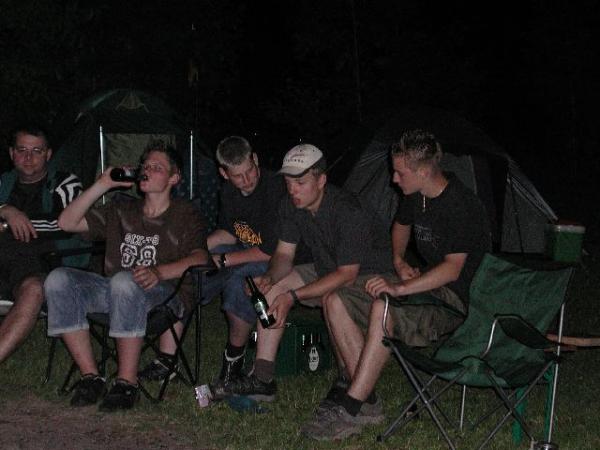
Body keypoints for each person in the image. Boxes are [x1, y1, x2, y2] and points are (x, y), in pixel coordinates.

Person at [301, 129, 492, 441]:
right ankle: (368, 400)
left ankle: (350, 407)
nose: (393, 179)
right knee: (334, 298)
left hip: (454, 300)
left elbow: (452, 270)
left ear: (423, 171)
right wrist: (399, 261)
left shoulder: (461, 205)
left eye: (400, 172)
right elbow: (400, 226)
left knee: (383, 305)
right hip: (426, 284)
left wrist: (400, 289)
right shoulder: (417, 196)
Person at [44, 140, 208, 411]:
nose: (147, 170)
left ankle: (127, 383)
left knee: (123, 281)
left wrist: (159, 271)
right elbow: (66, 222)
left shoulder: (185, 213)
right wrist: (102, 184)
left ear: (174, 178)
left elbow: (201, 257)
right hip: (115, 289)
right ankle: (91, 377)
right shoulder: (121, 210)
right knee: (58, 279)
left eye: (157, 167)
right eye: (146, 165)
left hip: (165, 297)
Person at [222, 143, 393, 403]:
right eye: (289, 182)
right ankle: (262, 379)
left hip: (369, 277)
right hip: (327, 268)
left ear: (321, 180)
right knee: (273, 288)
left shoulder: (347, 210)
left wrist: (293, 296)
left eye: (300, 182)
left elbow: (347, 275)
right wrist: (270, 277)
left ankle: (355, 385)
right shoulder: (291, 205)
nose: (292, 190)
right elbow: (284, 255)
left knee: (327, 297)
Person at [138, 136, 288, 397]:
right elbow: (228, 233)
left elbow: (270, 250)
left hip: (275, 259)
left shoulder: (275, 188)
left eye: (250, 170)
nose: (247, 179)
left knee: (238, 282)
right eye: (238, 176)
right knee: (188, 272)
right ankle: (167, 359)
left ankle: (232, 365)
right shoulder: (228, 191)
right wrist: (195, 250)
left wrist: (224, 260)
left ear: (255, 159)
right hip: (242, 250)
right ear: (224, 174)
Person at [0, 124, 82, 364]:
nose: (28, 158)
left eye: (37, 151)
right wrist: (7, 209)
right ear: (12, 153)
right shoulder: (4, 182)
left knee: (34, 289)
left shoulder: (65, 183)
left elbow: (66, 225)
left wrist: (8, 223)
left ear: (48, 154)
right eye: (22, 150)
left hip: (44, 266)